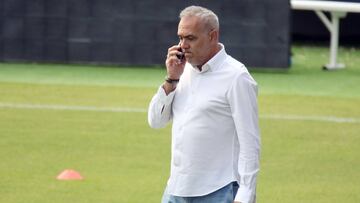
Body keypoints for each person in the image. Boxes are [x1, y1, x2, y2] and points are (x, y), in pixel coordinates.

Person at [148, 5, 260, 203]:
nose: (183, 45)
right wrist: (171, 79)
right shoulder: (181, 71)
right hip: (176, 189)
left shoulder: (237, 77)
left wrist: (245, 195)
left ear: (212, 36)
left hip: (219, 190)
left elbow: (250, 143)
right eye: (180, 37)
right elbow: (155, 121)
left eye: (190, 38)